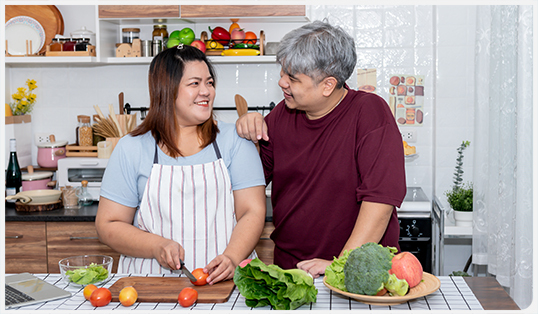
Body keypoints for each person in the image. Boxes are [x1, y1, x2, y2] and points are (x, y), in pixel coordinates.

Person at [236, 21, 406, 278]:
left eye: (292, 78)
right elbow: (251, 179)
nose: (282, 82)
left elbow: (379, 202)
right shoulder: (282, 114)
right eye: (283, 72)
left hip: (361, 272)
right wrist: (250, 138)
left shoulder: (369, 112)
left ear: (328, 85)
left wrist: (342, 264)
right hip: (292, 270)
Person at [96, 44, 266, 285]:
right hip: (149, 282)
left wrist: (231, 257)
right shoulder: (131, 148)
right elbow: (108, 224)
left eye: (209, 82)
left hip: (226, 281)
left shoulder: (235, 141)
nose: (206, 91)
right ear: (166, 90)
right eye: (194, 83)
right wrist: (157, 246)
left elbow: (253, 211)